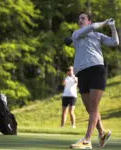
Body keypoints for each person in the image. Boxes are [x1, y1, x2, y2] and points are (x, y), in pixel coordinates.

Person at [70, 12, 119, 149]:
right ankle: (102, 132)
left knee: (93, 108)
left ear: (89, 21)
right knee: (90, 108)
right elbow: (94, 27)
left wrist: (113, 27)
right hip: (82, 72)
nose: (80, 20)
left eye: (83, 18)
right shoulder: (76, 34)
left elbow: (115, 42)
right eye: (79, 18)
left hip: (96, 70)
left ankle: (87, 140)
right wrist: (105, 22)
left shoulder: (98, 35)